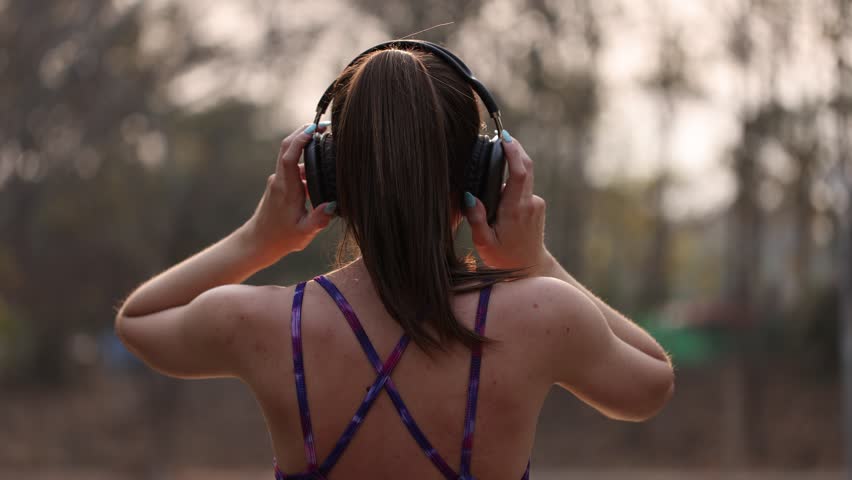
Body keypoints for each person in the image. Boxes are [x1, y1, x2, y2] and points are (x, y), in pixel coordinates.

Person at [115, 43, 674, 480]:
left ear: (328, 177)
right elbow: (652, 381)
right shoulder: (546, 315)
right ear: (480, 178)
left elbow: (138, 322)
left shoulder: (268, 326)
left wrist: (260, 240)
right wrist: (538, 262)